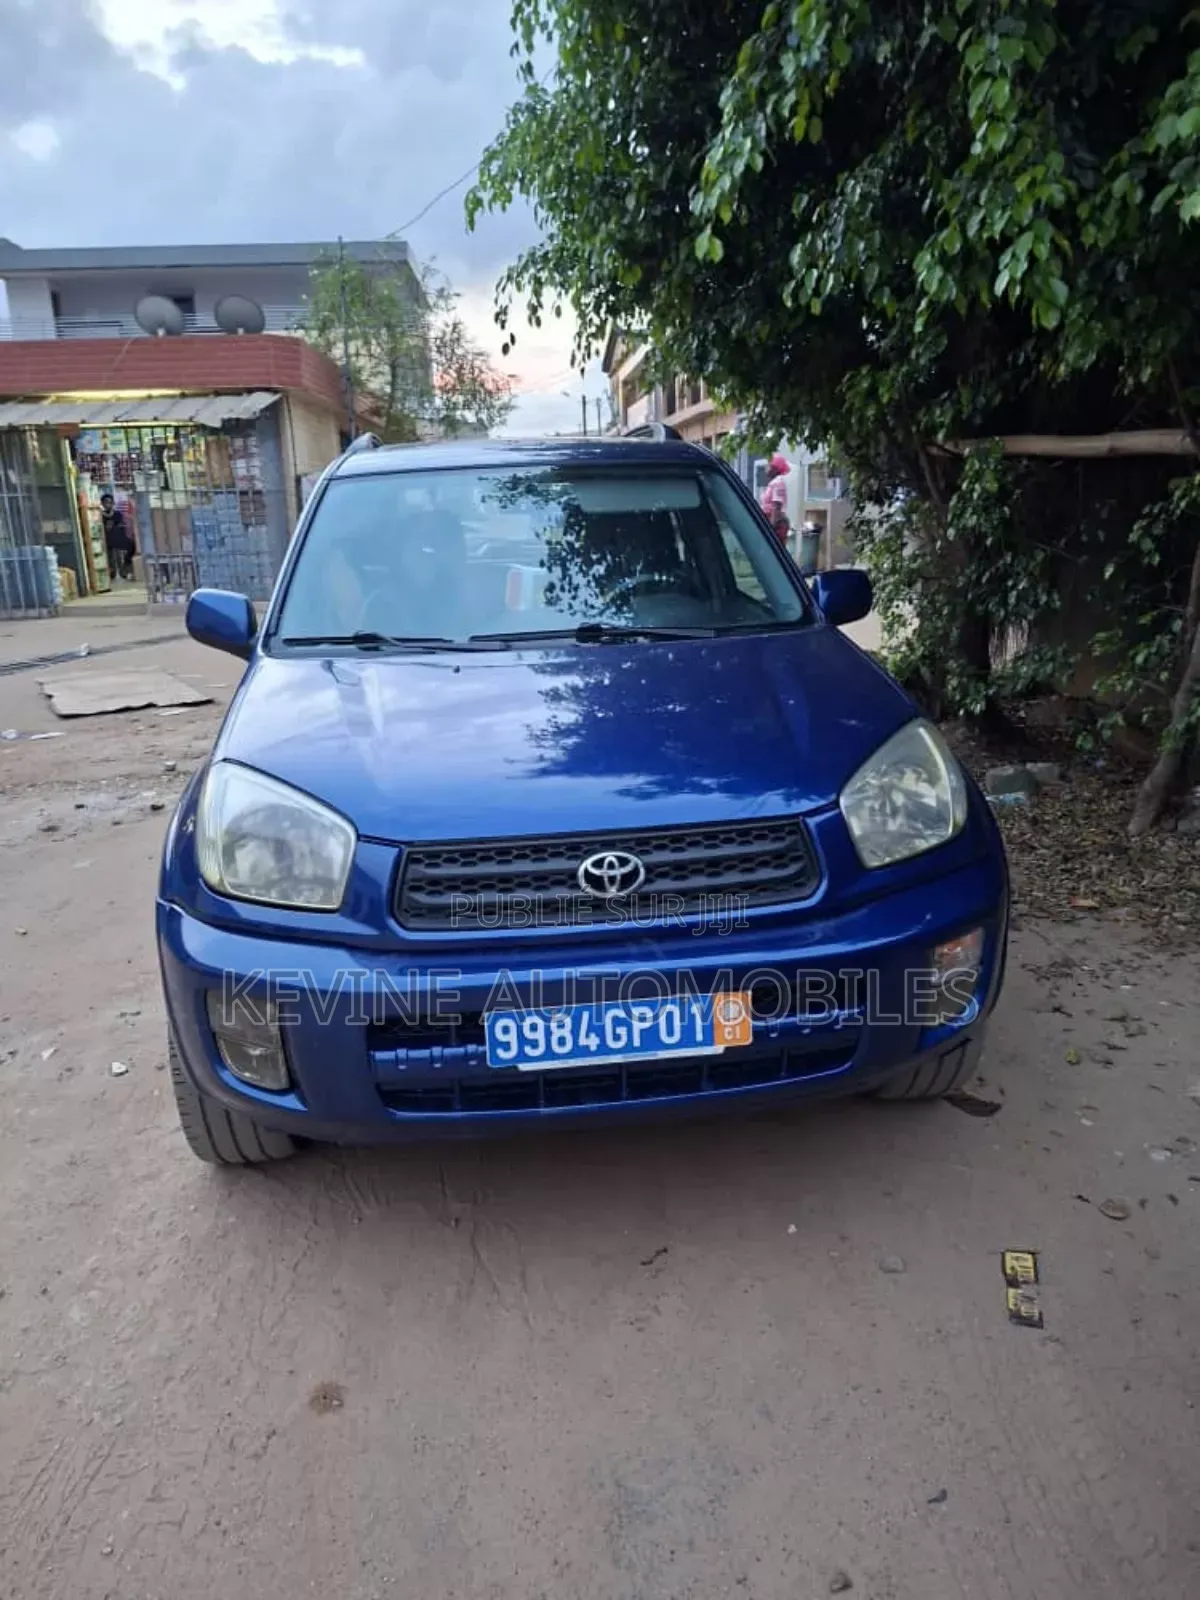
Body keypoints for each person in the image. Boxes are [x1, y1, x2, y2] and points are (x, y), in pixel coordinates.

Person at [100, 493, 134, 582]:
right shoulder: (100, 515)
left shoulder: (117, 514)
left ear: (113, 503)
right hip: (106, 540)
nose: (108, 505)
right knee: (109, 557)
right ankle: (112, 573)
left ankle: (124, 570)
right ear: (102, 504)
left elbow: (122, 526)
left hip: (117, 539)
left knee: (127, 550)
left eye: (110, 502)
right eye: (106, 503)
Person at [759, 453, 792, 543]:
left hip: (776, 524)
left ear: (775, 468)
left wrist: (771, 529)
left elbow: (776, 507)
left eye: (769, 465)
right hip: (769, 521)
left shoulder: (778, 483)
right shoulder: (772, 483)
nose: (766, 467)